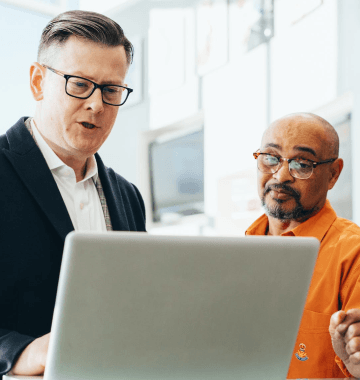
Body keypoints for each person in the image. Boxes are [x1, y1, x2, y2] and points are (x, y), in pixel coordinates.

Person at [0, 10, 146, 377]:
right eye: (79, 84)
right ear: (38, 82)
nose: (96, 104)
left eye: (111, 90)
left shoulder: (128, 196)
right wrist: (22, 352)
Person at [247, 112, 360, 378]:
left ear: (333, 174)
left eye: (302, 164)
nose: (281, 175)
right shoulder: (243, 249)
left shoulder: (353, 253)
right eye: (271, 158)